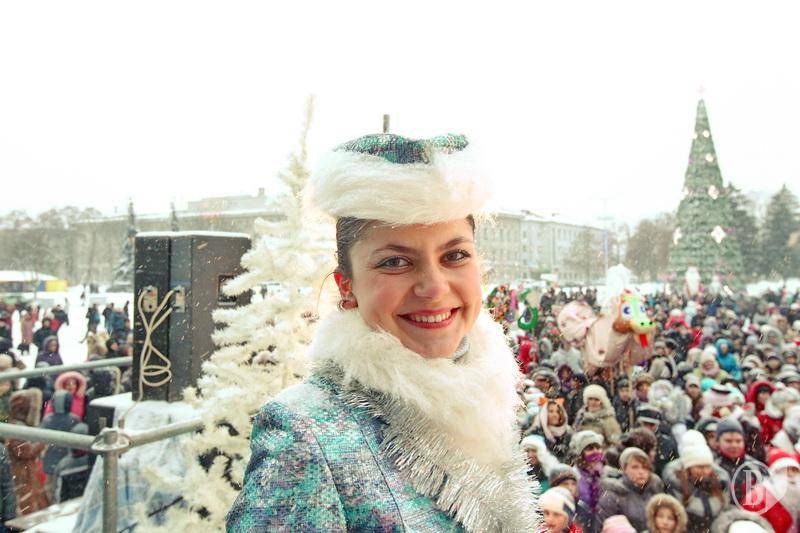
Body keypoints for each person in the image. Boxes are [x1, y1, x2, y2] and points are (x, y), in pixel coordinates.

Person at [227, 132, 538, 531]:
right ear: (347, 287)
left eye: (455, 255)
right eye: (394, 262)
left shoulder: (483, 398)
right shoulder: (306, 434)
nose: (434, 287)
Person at [662, 430, 729, 533]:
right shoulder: (676, 484)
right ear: (689, 468)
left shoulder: (720, 483)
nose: (705, 471)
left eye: (707, 467)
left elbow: (724, 511)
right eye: (699, 467)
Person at [597, 447, 664, 531]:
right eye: (635, 467)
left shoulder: (655, 490)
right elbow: (604, 528)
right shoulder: (612, 496)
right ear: (624, 469)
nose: (641, 472)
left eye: (645, 467)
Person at [5, 389, 49, 514]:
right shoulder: (16, 429)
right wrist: (42, 442)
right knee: (27, 504)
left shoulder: (20, 426)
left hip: (27, 473)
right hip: (22, 474)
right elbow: (24, 452)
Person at [569, 430, 605, 533]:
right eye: (590, 448)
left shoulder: (606, 473)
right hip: (582, 525)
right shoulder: (573, 475)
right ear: (581, 453)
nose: (595, 451)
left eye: (598, 448)